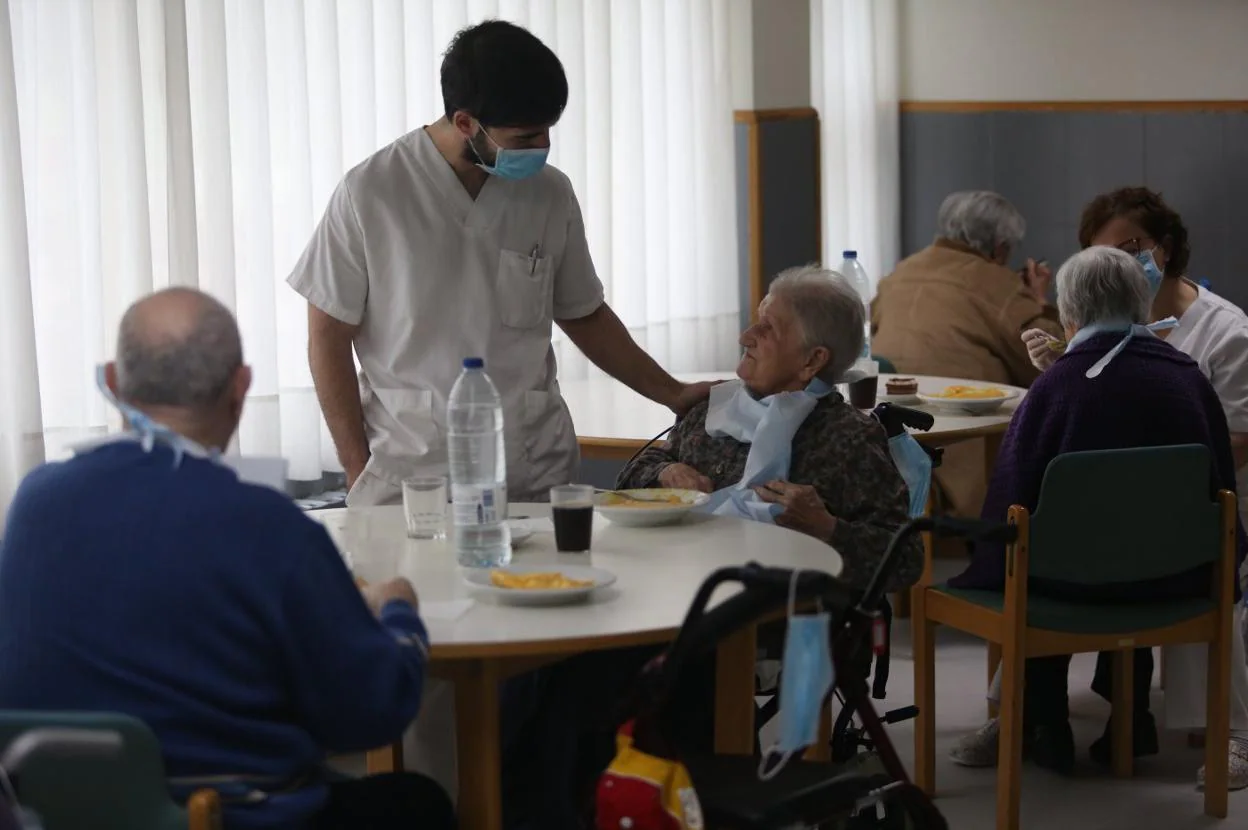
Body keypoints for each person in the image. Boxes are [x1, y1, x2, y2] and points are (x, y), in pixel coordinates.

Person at [0, 289, 453, 830]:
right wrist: (396, 609)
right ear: (241, 390)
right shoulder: (271, 528)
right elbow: (374, 713)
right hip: (231, 816)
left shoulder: (34, 502)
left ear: (113, 384)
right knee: (417, 802)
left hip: (55, 817)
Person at [287, 18, 709, 509]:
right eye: (526, 137)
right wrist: (356, 465)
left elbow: (584, 313)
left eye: (548, 131)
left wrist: (673, 394)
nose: (542, 148)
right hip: (413, 473)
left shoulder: (549, 193)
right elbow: (327, 337)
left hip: (531, 466)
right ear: (466, 122)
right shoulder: (373, 192)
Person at [945, 248, 1248, 781]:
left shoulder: (1055, 388)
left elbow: (1011, 501)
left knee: (1035, 562)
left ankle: (1041, 722)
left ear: (1069, 314)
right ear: (1143, 301)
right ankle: (1130, 724)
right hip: (1173, 580)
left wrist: (983, 571)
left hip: (1070, 588)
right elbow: (1220, 480)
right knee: (1121, 549)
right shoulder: (1188, 379)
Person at [618, 265, 924, 592]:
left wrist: (827, 528)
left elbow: (906, 559)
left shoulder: (849, 438)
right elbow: (626, 484)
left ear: (812, 361)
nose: (745, 336)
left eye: (767, 329)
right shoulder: (710, 407)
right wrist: (666, 471)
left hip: (781, 609)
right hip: (679, 580)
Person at [871, 191, 1062, 521]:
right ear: (1000, 247)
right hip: (963, 452)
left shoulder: (899, 273)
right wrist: (1039, 300)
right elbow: (1046, 359)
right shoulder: (995, 281)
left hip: (886, 440)